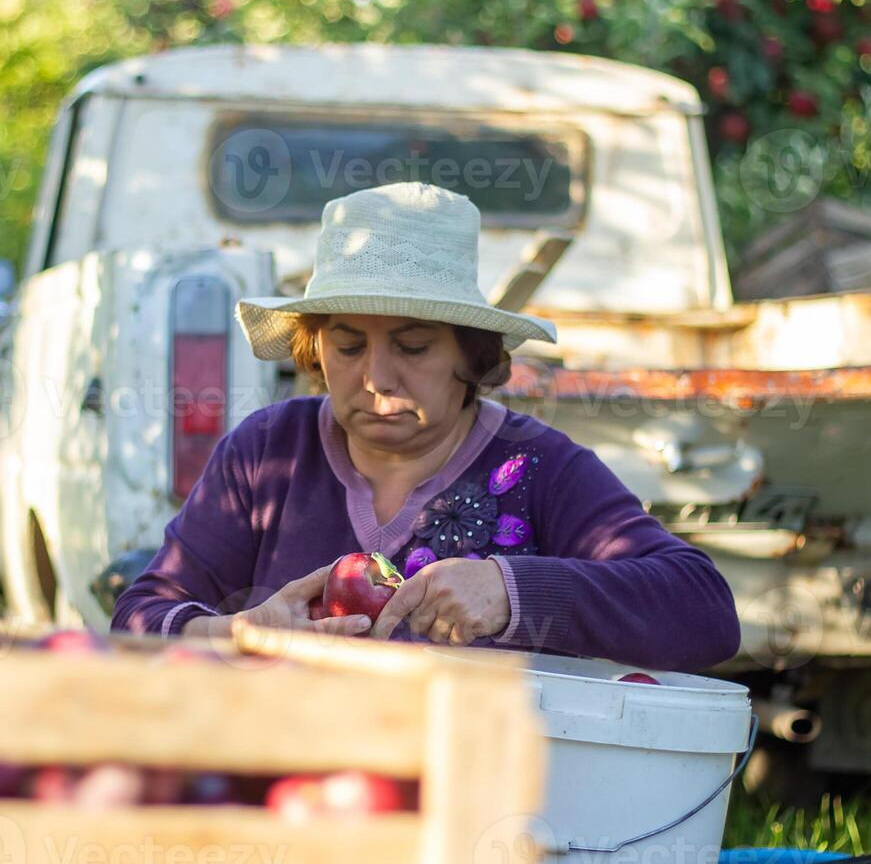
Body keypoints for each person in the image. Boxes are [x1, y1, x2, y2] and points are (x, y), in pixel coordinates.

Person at [113, 181, 739, 670]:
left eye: (412, 348)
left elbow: (704, 612)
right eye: (349, 346)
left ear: (472, 357)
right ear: (314, 350)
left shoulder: (538, 468)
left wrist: (512, 589)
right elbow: (138, 619)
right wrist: (239, 632)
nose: (377, 378)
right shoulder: (268, 452)